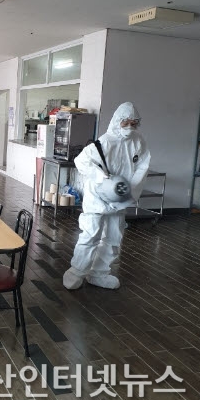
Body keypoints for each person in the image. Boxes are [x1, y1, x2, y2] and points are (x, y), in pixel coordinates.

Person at [63, 102, 151, 290]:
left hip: (120, 198)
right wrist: (102, 178)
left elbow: (143, 166)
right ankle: (76, 272)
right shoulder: (104, 142)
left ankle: (99, 273)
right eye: (125, 122)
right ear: (117, 121)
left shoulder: (138, 141)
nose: (129, 127)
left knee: (113, 238)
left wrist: (129, 191)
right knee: (90, 235)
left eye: (133, 123)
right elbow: (81, 161)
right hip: (97, 197)